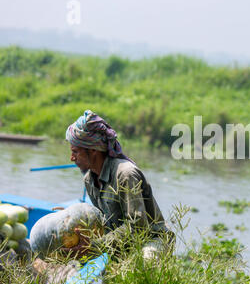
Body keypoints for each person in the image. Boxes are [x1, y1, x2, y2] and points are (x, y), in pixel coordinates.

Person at [64, 110, 173, 259]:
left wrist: (94, 247)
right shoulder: (89, 180)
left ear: (93, 150)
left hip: (151, 239)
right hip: (122, 241)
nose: (72, 158)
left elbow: (138, 227)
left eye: (75, 151)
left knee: (147, 260)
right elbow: (103, 223)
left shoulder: (125, 174)